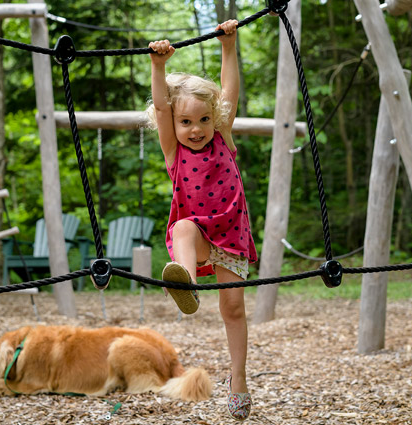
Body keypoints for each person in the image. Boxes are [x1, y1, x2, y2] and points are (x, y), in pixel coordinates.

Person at [147, 20, 258, 422]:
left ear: (215, 119)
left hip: (230, 235)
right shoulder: (174, 154)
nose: (196, 130)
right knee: (181, 227)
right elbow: (161, 106)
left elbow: (228, 95)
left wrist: (229, 48)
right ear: (174, 126)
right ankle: (187, 285)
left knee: (233, 309)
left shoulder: (223, 137)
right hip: (196, 237)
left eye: (204, 120)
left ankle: (239, 376)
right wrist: (158, 67)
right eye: (186, 122)